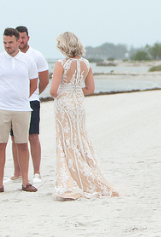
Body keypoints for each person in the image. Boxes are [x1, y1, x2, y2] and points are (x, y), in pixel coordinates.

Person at [50, 31, 118, 199]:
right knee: (80, 138)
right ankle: (84, 177)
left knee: (65, 140)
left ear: (63, 45)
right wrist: (74, 90)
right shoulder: (86, 64)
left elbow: (53, 91)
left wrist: (65, 91)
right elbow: (90, 89)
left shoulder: (61, 64)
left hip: (64, 104)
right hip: (79, 104)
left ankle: (70, 180)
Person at [0, 28, 39, 194]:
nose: (7, 46)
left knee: (22, 145)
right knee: (0, 145)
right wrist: (1, 99)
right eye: (5, 43)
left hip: (22, 109)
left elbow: (34, 83)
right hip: (0, 108)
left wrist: (22, 98)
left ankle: (25, 182)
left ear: (18, 42)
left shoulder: (28, 61)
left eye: (10, 42)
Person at [8, 26, 50, 185]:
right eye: (18, 38)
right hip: (14, 103)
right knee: (15, 138)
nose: (21, 41)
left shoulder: (36, 56)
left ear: (28, 38)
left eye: (23, 38)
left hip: (31, 101)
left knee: (33, 136)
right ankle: (17, 172)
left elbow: (45, 80)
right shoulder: (11, 56)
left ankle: (37, 172)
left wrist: (34, 93)